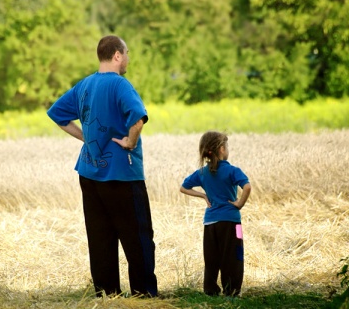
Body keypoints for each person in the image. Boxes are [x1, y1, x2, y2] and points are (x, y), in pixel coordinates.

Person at [46, 35, 158, 297]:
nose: (128, 58)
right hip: (121, 175)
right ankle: (144, 296)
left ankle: (108, 296)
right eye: (127, 53)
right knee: (138, 238)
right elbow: (138, 118)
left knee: (100, 238)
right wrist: (130, 141)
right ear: (117, 55)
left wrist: (86, 137)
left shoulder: (84, 85)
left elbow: (57, 114)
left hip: (89, 173)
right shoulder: (120, 85)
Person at [180, 131, 251, 297]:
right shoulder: (232, 170)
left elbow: (183, 187)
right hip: (233, 222)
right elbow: (247, 187)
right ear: (221, 149)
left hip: (210, 223)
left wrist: (203, 195)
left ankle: (211, 290)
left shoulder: (202, 173)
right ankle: (232, 291)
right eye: (227, 147)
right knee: (235, 255)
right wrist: (239, 203)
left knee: (211, 258)